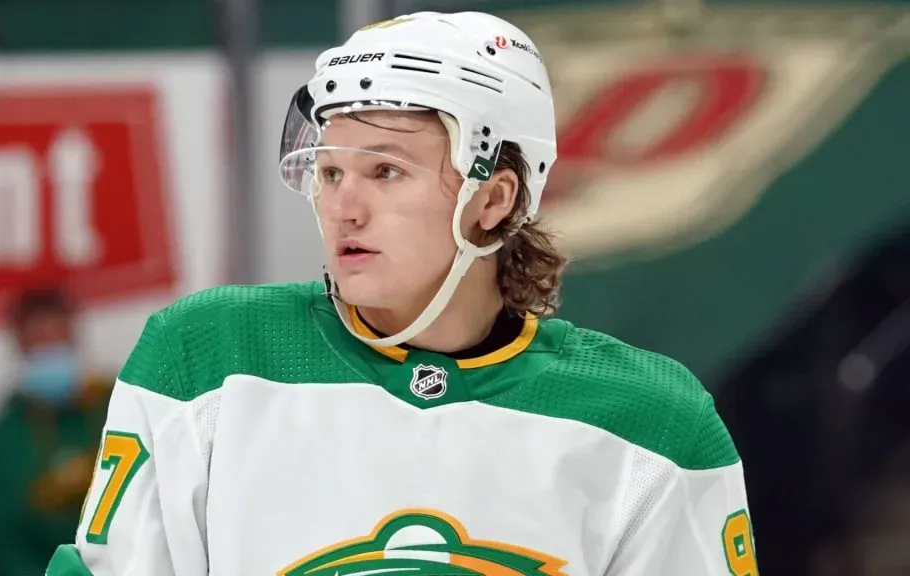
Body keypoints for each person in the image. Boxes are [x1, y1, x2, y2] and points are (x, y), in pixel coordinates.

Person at [38, 11, 756, 576]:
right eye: (329, 172)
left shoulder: (653, 427)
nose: (343, 207)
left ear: (494, 200)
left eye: (384, 172)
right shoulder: (205, 360)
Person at [0, 287, 112, 576]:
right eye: (42, 345)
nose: (52, 354)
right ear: (20, 348)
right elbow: (1, 543)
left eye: (60, 341)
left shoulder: (112, 414)